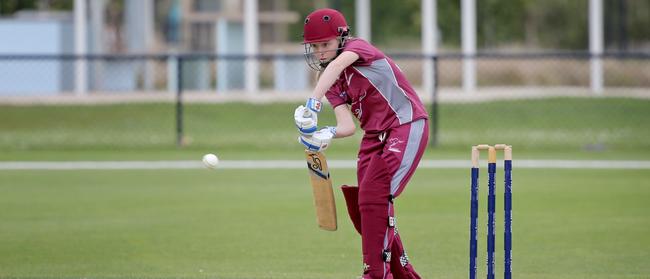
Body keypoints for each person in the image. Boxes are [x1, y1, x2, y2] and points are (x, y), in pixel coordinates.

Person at [294, 8, 429, 279]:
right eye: (315, 46)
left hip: (405, 125)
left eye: (326, 44)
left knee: (375, 197)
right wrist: (325, 133)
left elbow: (336, 65)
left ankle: (375, 274)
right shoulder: (330, 82)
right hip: (372, 137)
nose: (320, 51)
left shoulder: (358, 48)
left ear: (342, 37)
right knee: (363, 206)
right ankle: (404, 275)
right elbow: (347, 126)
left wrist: (312, 104)